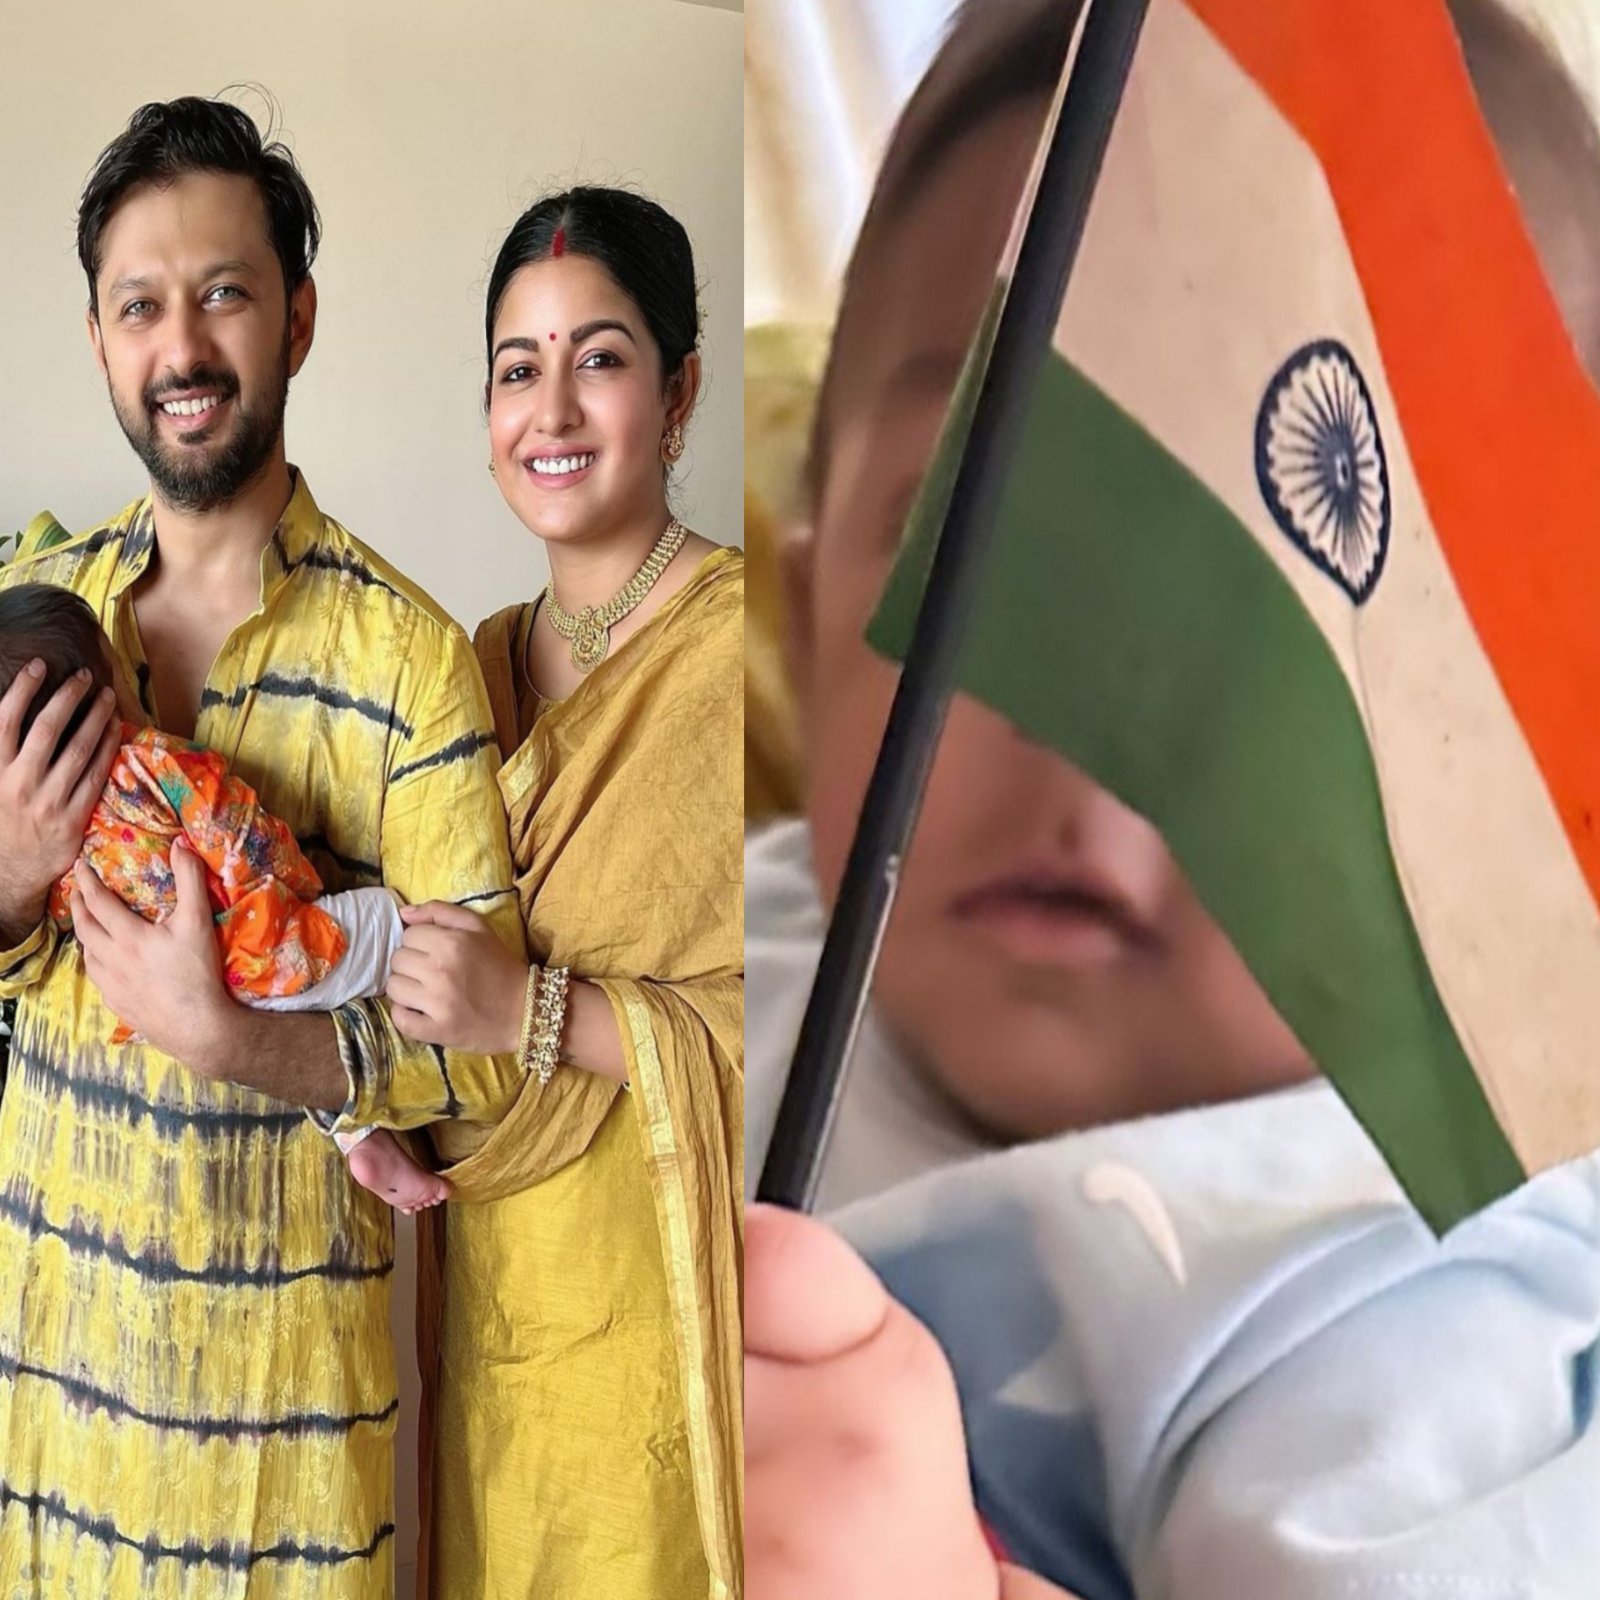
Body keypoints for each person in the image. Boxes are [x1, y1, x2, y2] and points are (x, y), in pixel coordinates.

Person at [745, 0, 1600, 1595]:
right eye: (989, 544)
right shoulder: (755, 926)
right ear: (802, 630)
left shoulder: (1399, 1287)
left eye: (1294, 634)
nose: (1096, 741)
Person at [0, 97, 522, 1597]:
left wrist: (234, 1041)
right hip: (52, 1408)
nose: (181, 347)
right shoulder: (34, 614)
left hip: (279, 1455)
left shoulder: (410, 664)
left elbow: (479, 1055)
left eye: (224, 292)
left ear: (297, 318)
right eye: (139, 305)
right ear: (99, 339)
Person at [382, 187, 743, 1600]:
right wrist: (373, 1105)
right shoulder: (464, 674)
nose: (553, 408)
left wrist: (532, 1010)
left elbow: (791, 1028)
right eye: (517, 370)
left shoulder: (749, 655)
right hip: (499, 1305)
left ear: (680, 391)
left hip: (667, 1295)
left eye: (598, 358)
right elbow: (389, 958)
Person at [0, 582, 447, 1211]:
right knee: (380, 923)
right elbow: (234, 828)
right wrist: (299, 891)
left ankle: (358, 1135)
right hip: (258, 944)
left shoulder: (69, 852)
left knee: (292, 1020)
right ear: (102, 699)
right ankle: (363, 1118)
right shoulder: (149, 765)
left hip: (149, 1002)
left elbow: (63, 928)